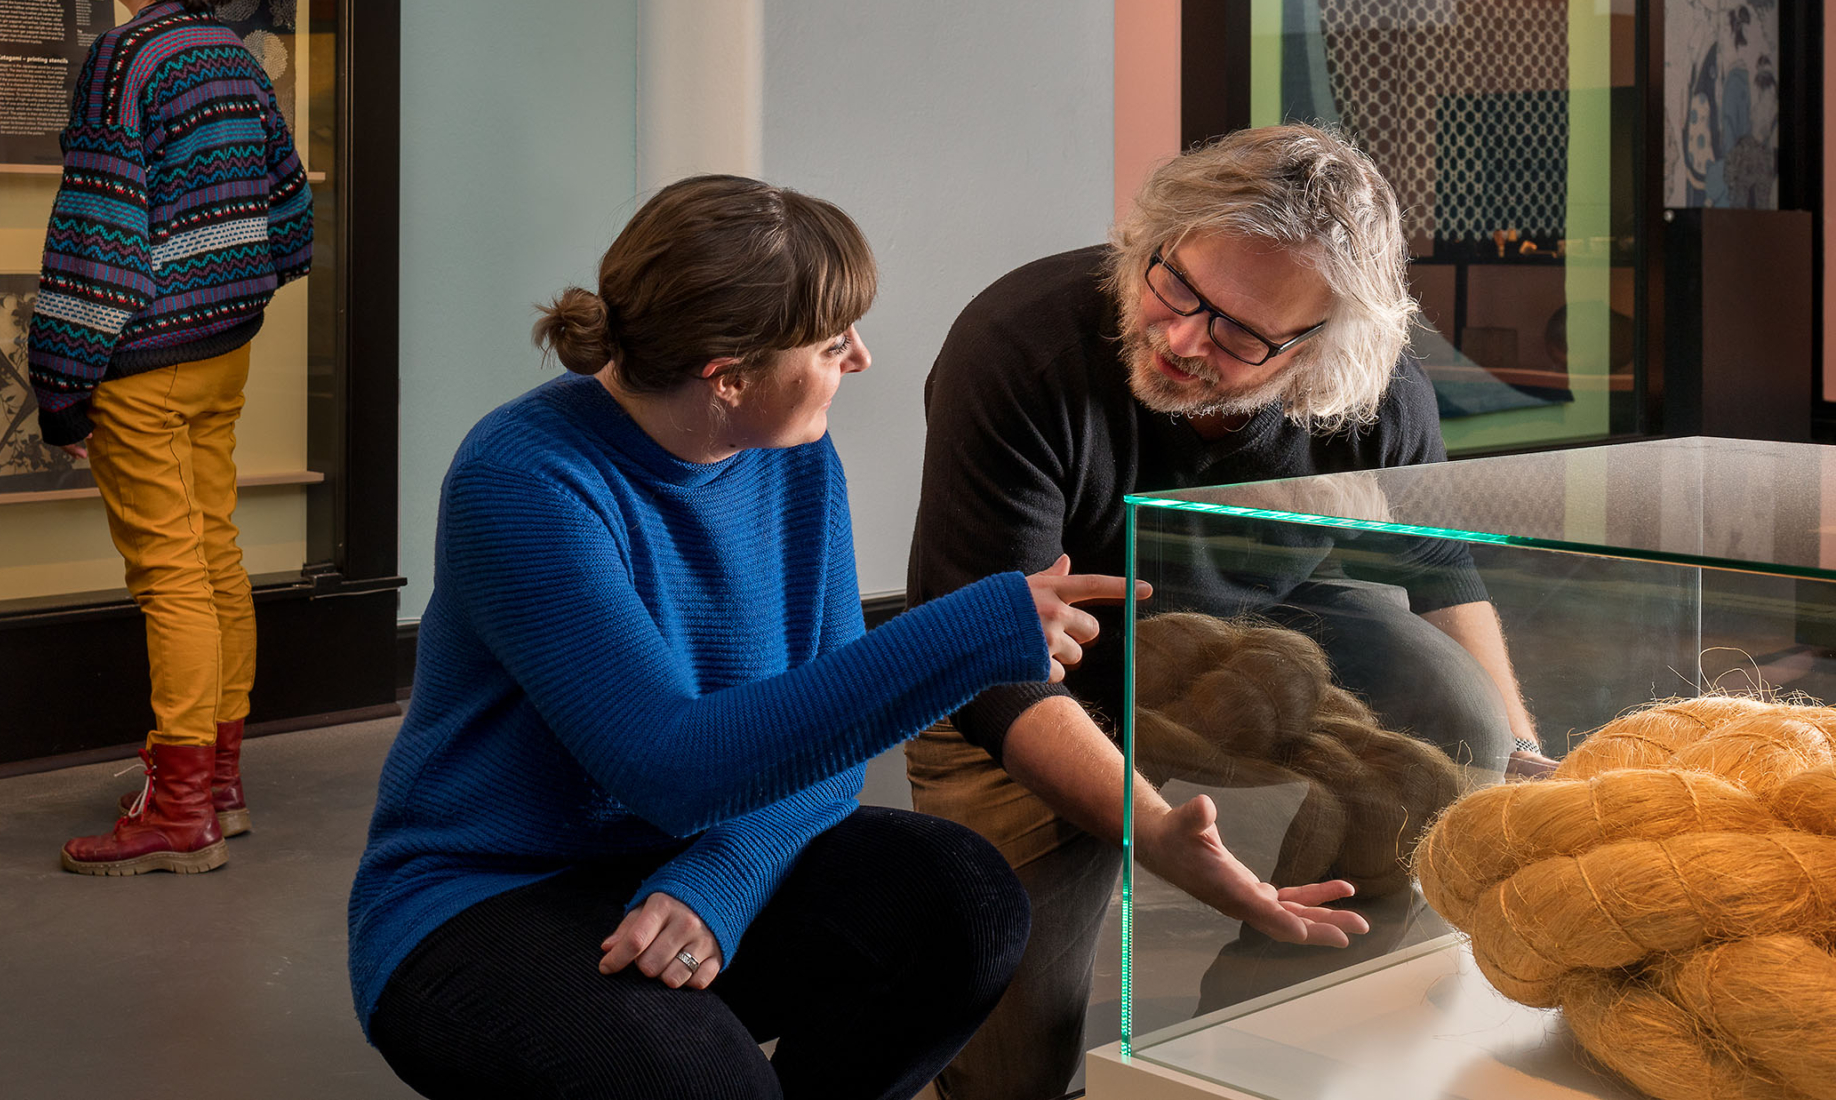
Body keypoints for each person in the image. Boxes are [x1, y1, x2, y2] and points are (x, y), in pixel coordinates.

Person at [349, 176, 1360, 1100]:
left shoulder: (789, 454)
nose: (860, 359)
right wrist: (972, 630)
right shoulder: (522, 480)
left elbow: (822, 758)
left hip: (686, 862)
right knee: (707, 1086)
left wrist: (719, 881)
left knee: (965, 903)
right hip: (483, 901)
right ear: (728, 375)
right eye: (834, 342)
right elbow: (671, 764)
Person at [904, 122, 1550, 1100]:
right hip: (1026, 675)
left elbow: (1442, 570)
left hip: (1245, 639)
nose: (1179, 337)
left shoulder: (1376, 391)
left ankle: (1241, 1048)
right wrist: (1153, 831)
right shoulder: (1017, 344)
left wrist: (1515, 749)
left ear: (1319, 352)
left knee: (1458, 721)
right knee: (1012, 1063)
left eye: (1240, 333)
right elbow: (987, 670)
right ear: (1157, 237)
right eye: (1177, 286)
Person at [28, 0, 312, 877]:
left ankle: (180, 807)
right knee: (214, 552)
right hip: (221, 351)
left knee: (168, 574)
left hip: (142, 359)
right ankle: (219, 782)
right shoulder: (232, 56)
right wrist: (232, 289)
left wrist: (62, 386)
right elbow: (290, 208)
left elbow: (95, 234)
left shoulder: (126, 58)